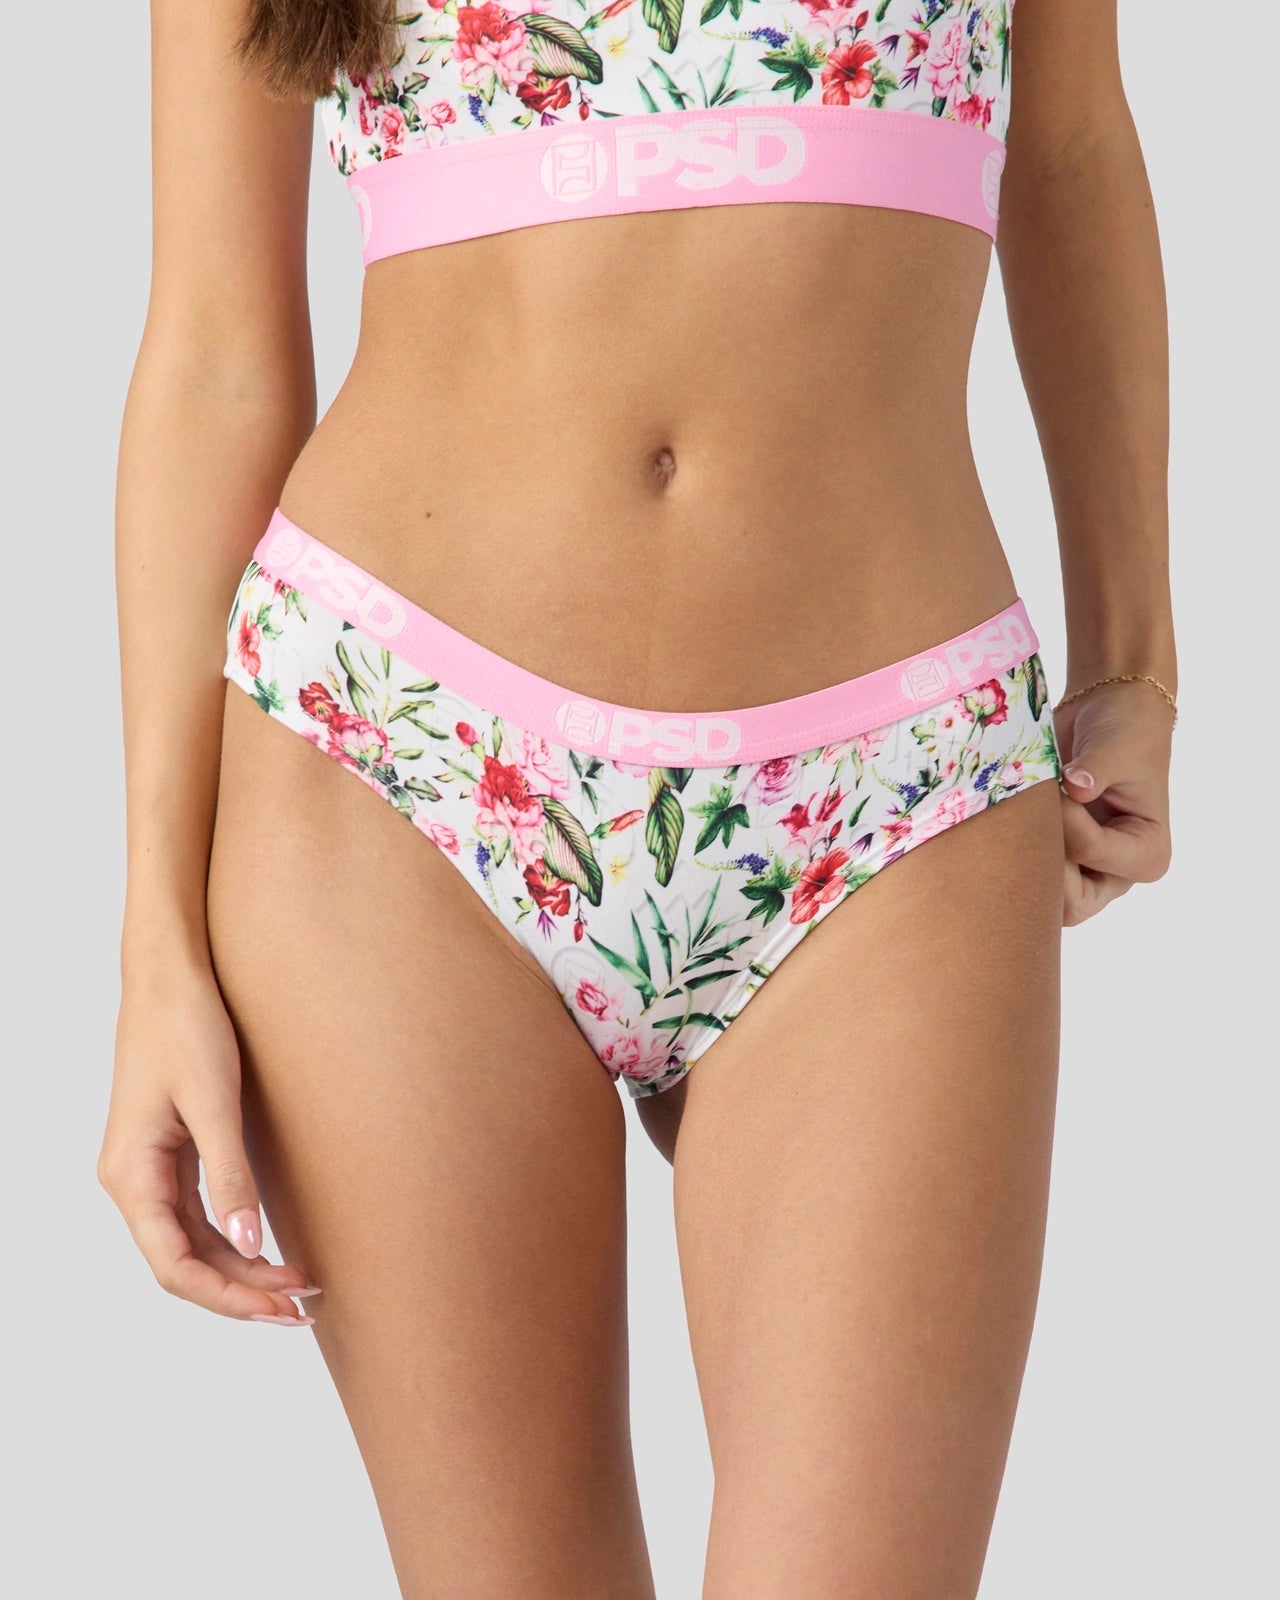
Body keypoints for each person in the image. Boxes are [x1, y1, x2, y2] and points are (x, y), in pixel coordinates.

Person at [99, 0, 1176, 1593]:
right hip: (399, 761)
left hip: (895, 785)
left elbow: (1070, 144)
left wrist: (1137, 654)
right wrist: (156, 947)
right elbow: (213, 353)